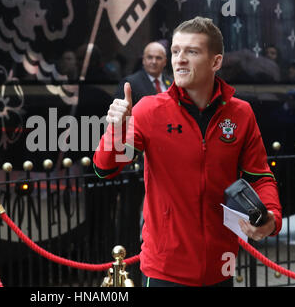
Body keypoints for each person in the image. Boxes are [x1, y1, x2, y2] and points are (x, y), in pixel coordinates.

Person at [93, 16, 282, 287]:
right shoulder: (148, 110)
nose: (179, 59)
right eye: (176, 51)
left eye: (191, 52)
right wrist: (116, 129)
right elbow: (105, 169)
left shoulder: (241, 113)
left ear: (216, 62)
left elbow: (260, 177)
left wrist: (272, 217)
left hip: (221, 268)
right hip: (164, 271)